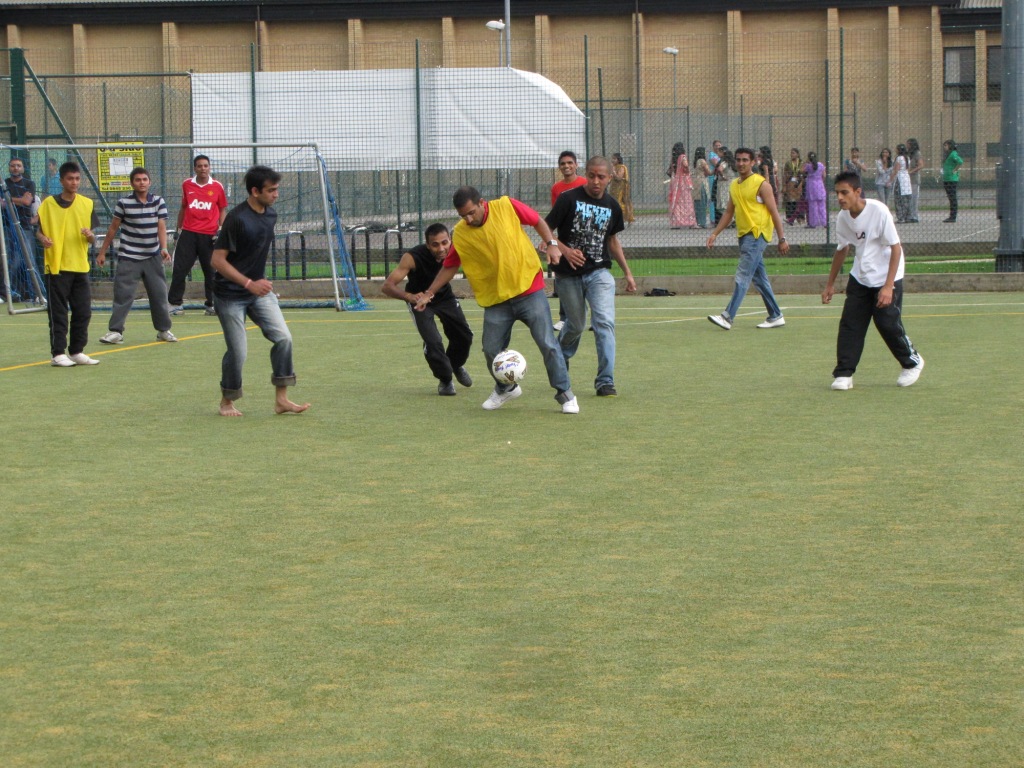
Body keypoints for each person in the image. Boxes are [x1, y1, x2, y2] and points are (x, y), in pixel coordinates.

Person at [414, 186, 579, 414]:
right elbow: (450, 265)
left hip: (528, 289)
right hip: (496, 300)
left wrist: (551, 245)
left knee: (547, 344)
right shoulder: (460, 233)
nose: (468, 219)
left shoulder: (506, 206)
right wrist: (429, 293)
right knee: (490, 349)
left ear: (482, 202)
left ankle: (565, 394)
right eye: (463, 216)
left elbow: (537, 221)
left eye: (472, 212)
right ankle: (506, 388)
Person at [210, 165, 309, 417]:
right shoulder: (236, 218)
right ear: (255, 191)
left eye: (277, 189)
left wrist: (258, 282)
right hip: (230, 295)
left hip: (258, 292)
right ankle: (227, 401)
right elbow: (218, 261)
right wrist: (248, 283)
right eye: (271, 190)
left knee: (284, 338)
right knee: (238, 351)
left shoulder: (270, 215)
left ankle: (282, 400)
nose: (276, 194)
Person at [822, 171, 923, 390]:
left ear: (857, 192)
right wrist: (830, 284)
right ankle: (844, 374)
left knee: (887, 323)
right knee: (850, 324)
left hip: (887, 276)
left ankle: (912, 362)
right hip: (861, 276)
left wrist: (888, 287)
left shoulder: (879, 211)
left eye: (844, 192)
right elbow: (842, 250)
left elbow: (896, 249)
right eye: (837, 192)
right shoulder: (843, 217)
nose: (839, 197)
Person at [546, 155, 637, 397]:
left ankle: (605, 380)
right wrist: (563, 250)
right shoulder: (568, 199)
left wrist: (627, 273)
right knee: (575, 324)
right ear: (586, 174)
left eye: (602, 177)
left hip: (599, 272)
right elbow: (546, 230)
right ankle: (561, 359)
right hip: (568, 275)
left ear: (610, 178)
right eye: (592, 175)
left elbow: (613, 242)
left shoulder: (612, 206)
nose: (596, 181)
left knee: (604, 322)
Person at [381, 222, 474, 396]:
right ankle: (445, 379)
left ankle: (455, 365)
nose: (441, 248)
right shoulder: (412, 257)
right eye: (435, 244)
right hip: (419, 302)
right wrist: (409, 297)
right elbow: (387, 286)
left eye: (445, 242)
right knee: (433, 341)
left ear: (450, 240)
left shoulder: (457, 250)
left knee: (464, 337)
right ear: (427, 244)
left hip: (444, 298)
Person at [706, 147, 790, 330]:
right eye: (738, 160)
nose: (741, 163)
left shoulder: (762, 184)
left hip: (757, 234)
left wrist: (782, 238)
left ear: (753, 162)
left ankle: (727, 316)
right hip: (744, 236)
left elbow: (774, 212)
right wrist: (714, 234)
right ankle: (776, 315)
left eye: (745, 160)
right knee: (759, 278)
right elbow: (729, 212)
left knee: (743, 275)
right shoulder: (734, 185)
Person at [95, 167, 177, 345]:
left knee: (159, 295)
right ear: (132, 183)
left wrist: (164, 248)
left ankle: (163, 330)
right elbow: (113, 228)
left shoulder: (158, 202)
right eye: (138, 180)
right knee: (123, 295)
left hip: (153, 257)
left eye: (144, 179)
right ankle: (116, 332)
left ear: (149, 182)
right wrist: (102, 252)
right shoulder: (124, 203)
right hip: (128, 257)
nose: (141, 182)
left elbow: (161, 226)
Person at [36, 161, 101, 367]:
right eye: (70, 179)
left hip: (80, 265)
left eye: (77, 179)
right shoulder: (47, 204)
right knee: (58, 312)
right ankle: (58, 353)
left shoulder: (87, 204)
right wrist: (42, 238)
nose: (74, 182)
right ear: (62, 180)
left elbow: (92, 238)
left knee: (83, 310)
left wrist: (90, 236)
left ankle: (76, 351)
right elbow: (37, 229)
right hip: (56, 265)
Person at [168, 154, 228, 316]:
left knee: (212, 271)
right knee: (180, 269)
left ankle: (212, 304)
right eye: (199, 166)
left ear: (209, 168)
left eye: (205, 166)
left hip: (209, 235)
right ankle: (175, 304)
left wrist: (222, 230)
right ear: (195, 168)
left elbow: (222, 209)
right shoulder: (187, 185)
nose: (203, 169)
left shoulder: (217, 186)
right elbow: (183, 208)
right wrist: (178, 229)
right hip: (188, 233)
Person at [550, 150, 588, 331]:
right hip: (565, 239)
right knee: (564, 275)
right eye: (563, 164)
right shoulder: (556, 188)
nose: (566, 166)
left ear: (576, 165)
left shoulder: (585, 183)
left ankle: (595, 319)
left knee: (589, 276)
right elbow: (555, 215)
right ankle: (564, 317)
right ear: (559, 167)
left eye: (569, 163)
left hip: (585, 236)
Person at [667, 143, 697, 229]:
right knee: (686, 201)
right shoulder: (683, 157)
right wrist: (687, 171)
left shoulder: (674, 159)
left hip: (675, 181)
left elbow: (672, 170)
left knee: (676, 201)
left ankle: (676, 222)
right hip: (683, 182)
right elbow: (686, 165)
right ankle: (690, 222)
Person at [609, 153, 635, 225]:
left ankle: (626, 216)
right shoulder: (614, 167)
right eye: (612, 159)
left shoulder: (621, 167)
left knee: (619, 202)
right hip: (613, 188)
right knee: (612, 202)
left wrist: (613, 171)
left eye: (614, 159)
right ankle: (616, 218)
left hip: (621, 188)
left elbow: (618, 178)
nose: (612, 160)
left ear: (618, 160)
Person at [941, 139, 964, 223]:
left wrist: (955, 170)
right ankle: (951, 215)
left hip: (951, 179)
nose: (944, 147)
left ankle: (953, 216)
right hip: (946, 178)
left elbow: (960, 161)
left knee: (952, 198)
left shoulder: (953, 154)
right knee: (950, 198)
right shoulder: (947, 154)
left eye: (946, 145)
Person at [803, 151, 827, 228]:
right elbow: (824, 175)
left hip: (811, 185)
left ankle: (813, 223)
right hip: (819, 184)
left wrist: (806, 162)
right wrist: (820, 180)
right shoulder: (821, 165)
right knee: (822, 205)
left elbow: (801, 170)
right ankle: (824, 222)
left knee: (813, 205)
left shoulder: (808, 166)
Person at [714, 148, 736, 227]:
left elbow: (720, 169)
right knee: (729, 200)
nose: (718, 154)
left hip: (724, 184)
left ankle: (730, 219)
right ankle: (731, 219)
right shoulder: (732, 162)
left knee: (723, 202)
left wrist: (723, 176)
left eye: (719, 152)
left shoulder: (724, 162)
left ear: (723, 153)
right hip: (732, 183)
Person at [692, 146, 713, 228]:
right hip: (702, 182)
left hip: (696, 182)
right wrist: (715, 170)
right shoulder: (702, 161)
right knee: (702, 202)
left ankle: (698, 221)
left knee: (698, 202)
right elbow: (708, 172)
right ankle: (702, 222)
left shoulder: (696, 161)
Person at [892, 143, 912, 224]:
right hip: (906, 178)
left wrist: (890, 179)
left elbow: (896, 170)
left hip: (899, 179)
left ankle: (901, 218)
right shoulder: (907, 158)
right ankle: (907, 216)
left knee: (898, 199)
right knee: (906, 199)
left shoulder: (899, 158)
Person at [783, 148, 803, 225]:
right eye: (791, 153)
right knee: (790, 200)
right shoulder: (788, 163)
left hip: (799, 183)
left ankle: (799, 217)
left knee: (798, 201)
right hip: (790, 183)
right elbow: (785, 174)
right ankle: (789, 217)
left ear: (798, 154)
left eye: (794, 153)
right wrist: (784, 185)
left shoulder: (801, 163)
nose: (792, 155)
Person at [906, 137, 923, 223]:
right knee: (908, 198)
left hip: (914, 179)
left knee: (914, 198)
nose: (907, 145)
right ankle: (909, 215)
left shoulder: (917, 153)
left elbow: (920, 165)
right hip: (906, 180)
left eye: (908, 144)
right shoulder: (908, 154)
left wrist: (911, 171)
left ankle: (914, 216)